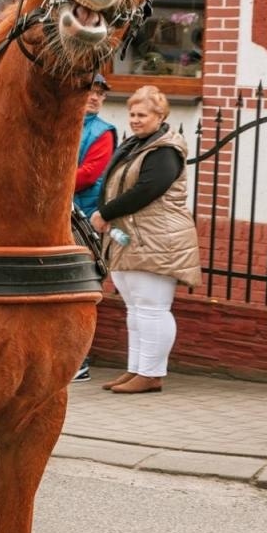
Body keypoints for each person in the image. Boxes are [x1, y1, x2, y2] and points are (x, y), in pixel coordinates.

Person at [90, 85, 201, 395]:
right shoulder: (136, 145)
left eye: (143, 115)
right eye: (132, 114)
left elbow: (147, 190)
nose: (135, 120)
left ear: (160, 116)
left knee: (152, 308)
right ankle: (136, 369)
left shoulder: (165, 149)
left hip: (157, 239)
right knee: (136, 308)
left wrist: (105, 213)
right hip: (132, 237)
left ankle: (151, 374)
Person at [70, 72, 118, 382]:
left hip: (83, 218)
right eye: (90, 90)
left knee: (80, 285)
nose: (95, 97)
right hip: (58, 211)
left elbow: (89, 174)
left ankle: (81, 360)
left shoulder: (102, 132)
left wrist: (48, 181)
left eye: (100, 93)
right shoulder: (63, 122)